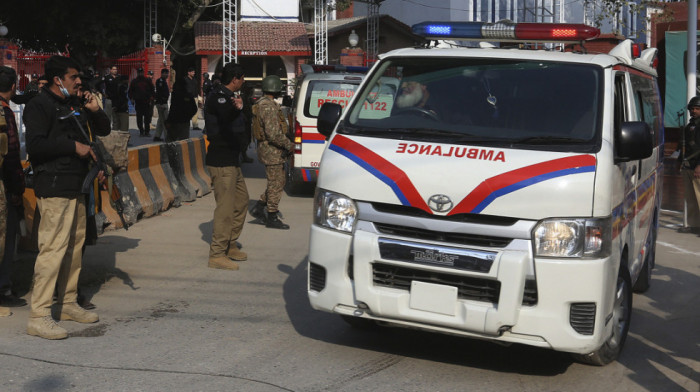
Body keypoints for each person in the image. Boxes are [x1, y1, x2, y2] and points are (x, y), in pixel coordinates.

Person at [23, 55, 111, 339]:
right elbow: (36, 146)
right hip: (54, 185)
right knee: (53, 250)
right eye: (74, 77)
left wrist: (95, 111)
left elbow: (103, 130)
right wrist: (73, 147)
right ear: (57, 79)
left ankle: (69, 302)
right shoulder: (38, 105)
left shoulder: (74, 104)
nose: (79, 81)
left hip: (77, 186)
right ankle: (39, 314)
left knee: (74, 247)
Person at [203, 62, 248, 270]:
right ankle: (217, 254)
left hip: (232, 159)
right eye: (243, 78)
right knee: (226, 209)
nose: (244, 82)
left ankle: (230, 243)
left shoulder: (230, 97)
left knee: (241, 201)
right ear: (235, 79)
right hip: (221, 162)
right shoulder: (218, 97)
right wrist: (236, 107)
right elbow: (224, 117)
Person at [250, 75, 294, 230]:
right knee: (275, 183)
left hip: (270, 149)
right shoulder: (267, 106)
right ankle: (272, 216)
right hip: (272, 150)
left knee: (278, 182)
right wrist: (290, 145)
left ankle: (259, 206)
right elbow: (273, 133)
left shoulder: (265, 104)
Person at [0, 66, 26, 314]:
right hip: (3, 186)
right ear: (13, 87)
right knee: (6, 239)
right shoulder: (5, 113)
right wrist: (18, 188)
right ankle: (4, 288)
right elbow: (11, 155)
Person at [680, 96, 700, 234]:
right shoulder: (689, 126)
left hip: (698, 166)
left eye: (697, 108)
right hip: (688, 165)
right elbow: (683, 145)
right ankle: (695, 225)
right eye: (692, 108)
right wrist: (679, 162)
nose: (694, 111)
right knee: (691, 198)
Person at [165, 77, 197, 142]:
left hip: (174, 122)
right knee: (184, 143)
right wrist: (188, 117)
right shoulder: (189, 95)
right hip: (184, 122)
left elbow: (173, 109)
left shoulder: (175, 95)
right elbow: (194, 109)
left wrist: (169, 120)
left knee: (170, 142)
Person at [128, 67, 155, 137]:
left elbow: (152, 90)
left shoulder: (147, 81)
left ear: (143, 73)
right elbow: (130, 91)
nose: (140, 74)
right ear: (137, 73)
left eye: (141, 72)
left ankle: (147, 131)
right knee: (139, 117)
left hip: (146, 102)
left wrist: (153, 98)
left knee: (147, 117)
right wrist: (131, 99)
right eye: (139, 72)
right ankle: (141, 131)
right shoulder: (134, 81)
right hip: (138, 102)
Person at [154, 68, 170, 142]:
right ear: (162, 73)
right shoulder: (160, 81)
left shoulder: (164, 81)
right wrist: (161, 102)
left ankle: (157, 136)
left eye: (167, 73)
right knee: (165, 121)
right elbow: (160, 93)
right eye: (165, 73)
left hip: (163, 103)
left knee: (160, 120)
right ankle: (167, 136)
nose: (167, 75)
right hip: (162, 104)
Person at [103, 65, 120, 129]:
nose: (115, 71)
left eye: (116, 69)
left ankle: (115, 128)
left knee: (115, 115)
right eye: (114, 69)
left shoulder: (119, 77)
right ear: (111, 70)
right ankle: (107, 128)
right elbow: (98, 84)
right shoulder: (107, 77)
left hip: (117, 99)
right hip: (109, 99)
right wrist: (103, 93)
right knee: (108, 114)